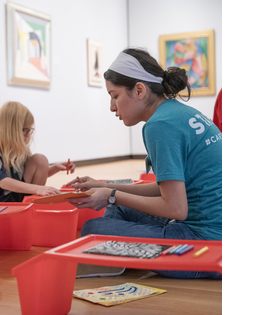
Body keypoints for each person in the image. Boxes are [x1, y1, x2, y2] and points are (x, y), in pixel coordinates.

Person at [65, 48, 222, 279]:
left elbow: (176, 209)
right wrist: (104, 187)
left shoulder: (160, 125)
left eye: (114, 95)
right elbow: (166, 189)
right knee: (117, 207)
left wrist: (111, 194)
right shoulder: (178, 112)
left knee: (93, 230)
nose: (111, 107)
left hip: (205, 249)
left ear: (139, 90)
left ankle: (122, 259)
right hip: (216, 235)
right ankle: (124, 258)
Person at [0, 101, 75, 202]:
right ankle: (31, 204)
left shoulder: (18, 147)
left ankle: (32, 203)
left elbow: (36, 172)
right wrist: (37, 189)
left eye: (29, 131)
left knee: (40, 160)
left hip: (17, 196)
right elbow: (3, 182)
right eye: (25, 130)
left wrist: (56, 168)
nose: (28, 135)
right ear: (11, 129)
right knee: (39, 161)